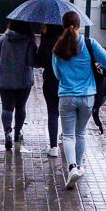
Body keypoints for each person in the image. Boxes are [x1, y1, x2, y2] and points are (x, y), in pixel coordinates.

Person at [51, 10, 106, 190]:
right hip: (87, 97)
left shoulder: (58, 47)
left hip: (66, 96)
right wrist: (96, 65)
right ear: (79, 25)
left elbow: (56, 73)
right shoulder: (89, 43)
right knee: (80, 133)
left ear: (63, 26)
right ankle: (78, 167)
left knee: (68, 135)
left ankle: (71, 168)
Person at [0, 19, 36, 150]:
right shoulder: (29, 41)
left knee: (7, 108)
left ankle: (8, 132)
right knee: (20, 107)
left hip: (5, 80)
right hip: (24, 80)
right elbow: (31, 61)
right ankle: (18, 132)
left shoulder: (2, 39)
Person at [34, 21, 62, 156]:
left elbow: (38, 62)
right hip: (67, 83)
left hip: (50, 81)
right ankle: (67, 138)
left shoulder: (46, 42)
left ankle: (54, 147)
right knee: (67, 113)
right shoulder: (68, 42)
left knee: (53, 112)